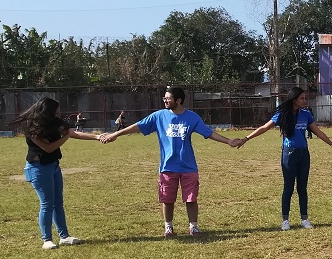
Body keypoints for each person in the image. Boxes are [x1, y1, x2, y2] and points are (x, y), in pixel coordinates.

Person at [99, 86, 242, 238]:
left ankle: (193, 227)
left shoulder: (192, 117)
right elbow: (138, 126)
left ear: (178, 100)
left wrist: (228, 141)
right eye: (165, 98)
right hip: (168, 166)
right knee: (167, 199)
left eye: (168, 98)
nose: (165, 101)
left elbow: (209, 133)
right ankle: (168, 227)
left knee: (191, 198)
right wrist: (116, 134)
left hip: (188, 166)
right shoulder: (159, 116)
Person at [237, 86, 332, 230]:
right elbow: (264, 128)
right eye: (302, 98)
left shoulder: (306, 114)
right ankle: (285, 220)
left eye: (305, 98)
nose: (304, 101)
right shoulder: (282, 114)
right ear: (294, 99)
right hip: (289, 154)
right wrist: (246, 139)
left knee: (302, 188)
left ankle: (304, 219)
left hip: (304, 154)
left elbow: (318, 132)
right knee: (288, 188)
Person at [11, 98, 101, 250]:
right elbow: (49, 148)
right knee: (47, 204)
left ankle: (64, 236)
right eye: (56, 112)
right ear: (46, 113)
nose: (59, 115)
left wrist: (97, 136)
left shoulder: (54, 123)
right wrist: (66, 136)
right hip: (38, 168)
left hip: (53, 166)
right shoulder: (31, 128)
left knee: (58, 203)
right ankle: (47, 240)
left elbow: (74, 133)